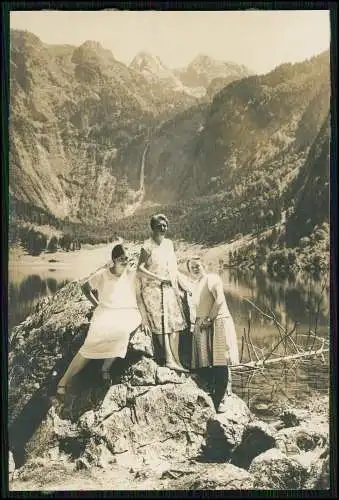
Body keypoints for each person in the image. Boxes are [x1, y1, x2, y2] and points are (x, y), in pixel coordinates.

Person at [56, 244, 142, 397]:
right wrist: (96, 304)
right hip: (105, 312)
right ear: (114, 260)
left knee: (122, 333)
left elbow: (144, 280)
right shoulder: (103, 274)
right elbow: (84, 287)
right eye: (122, 259)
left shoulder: (130, 274)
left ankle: (105, 368)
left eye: (127, 259)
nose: (126, 262)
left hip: (126, 312)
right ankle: (64, 380)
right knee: (90, 344)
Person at [137, 213, 191, 372]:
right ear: (153, 227)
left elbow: (173, 268)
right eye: (159, 226)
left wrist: (180, 285)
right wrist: (159, 278)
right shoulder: (147, 246)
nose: (163, 228)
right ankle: (168, 359)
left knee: (175, 324)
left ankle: (177, 360)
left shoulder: (169, 244)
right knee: (162, 325)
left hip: (168, 288)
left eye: (165, 225)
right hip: (152, 289)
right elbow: (139, 269)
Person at [186, 256, 239, 413]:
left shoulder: (211, 278)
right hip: (205, 325)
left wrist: (209, 318)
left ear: (204, 264)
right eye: (192, 267)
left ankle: (219, 401)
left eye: (197, 265)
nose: (195, 268)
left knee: (220, 362)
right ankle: (215, 397)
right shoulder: (196, 284)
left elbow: (220, 300)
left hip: (218, 322)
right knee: (206, 363)